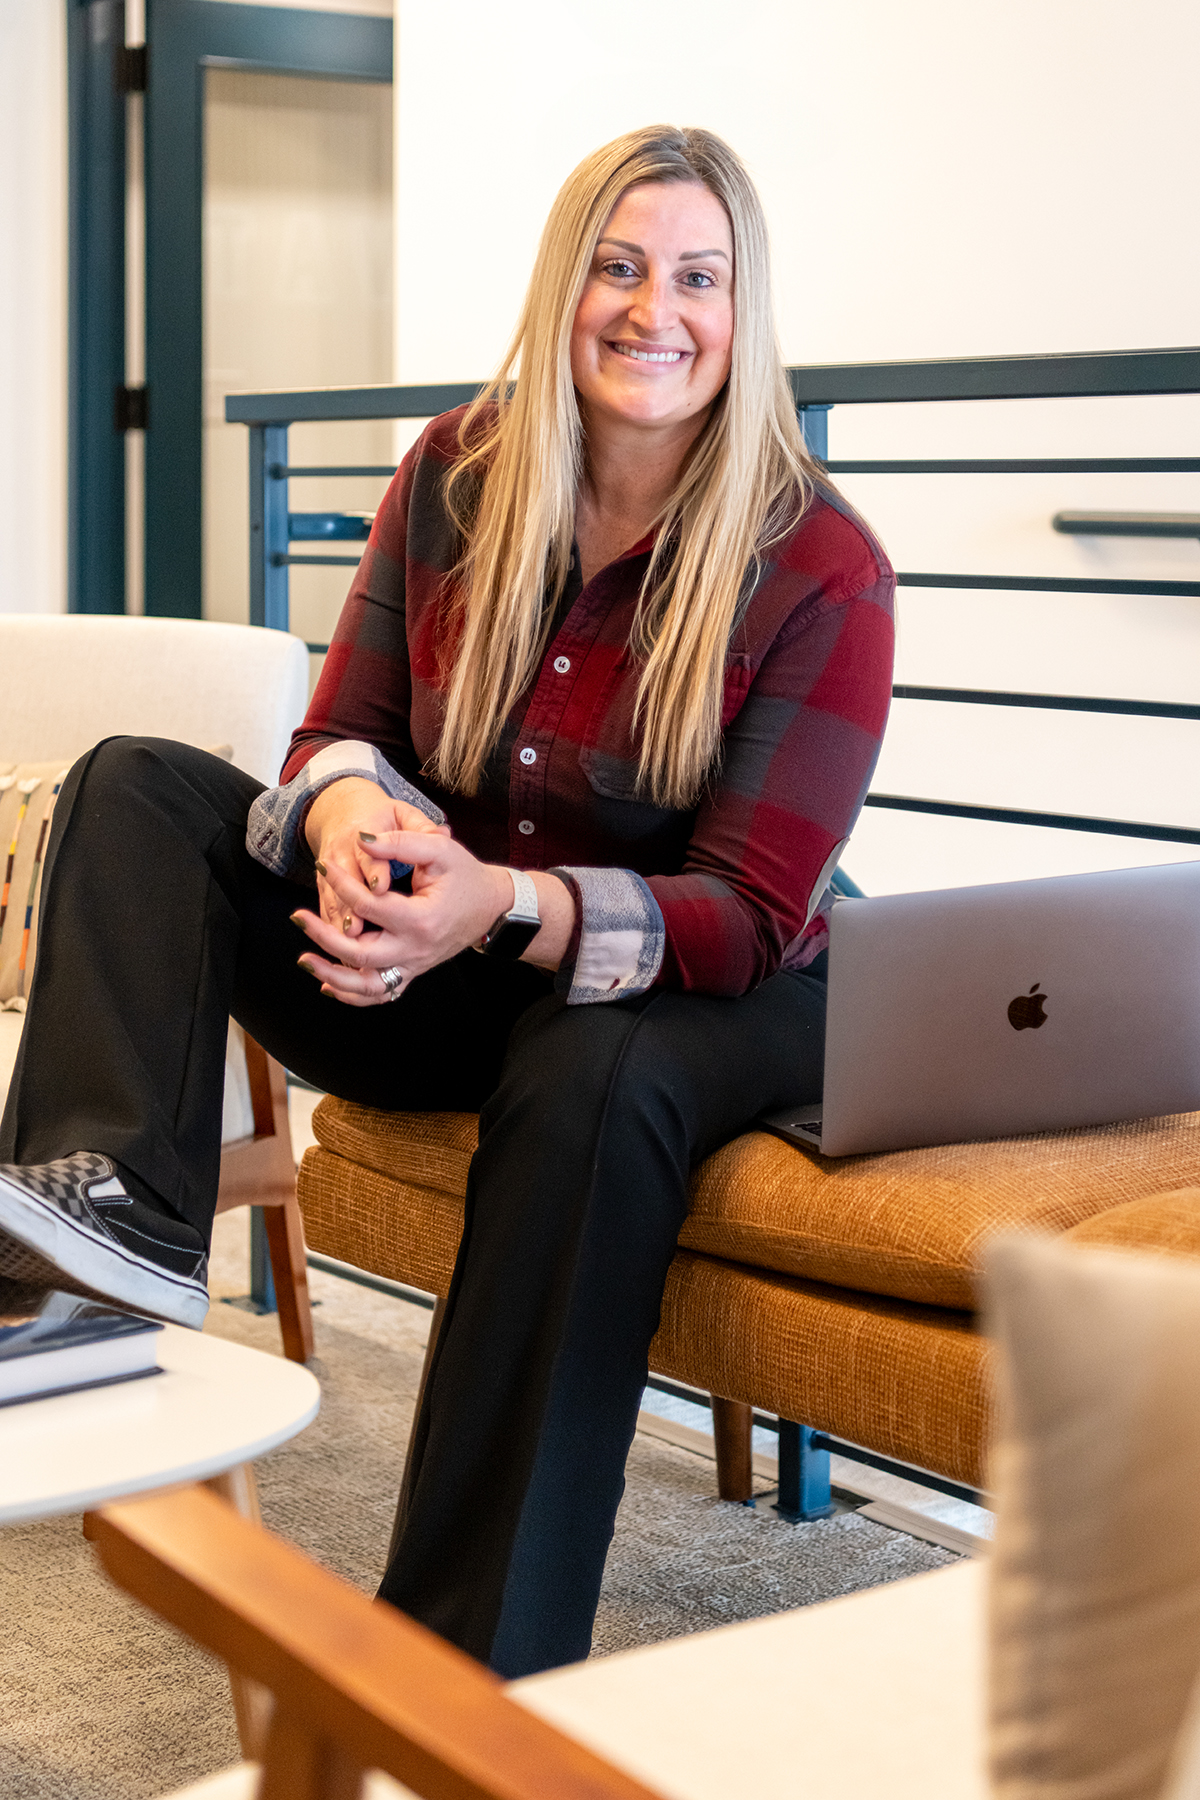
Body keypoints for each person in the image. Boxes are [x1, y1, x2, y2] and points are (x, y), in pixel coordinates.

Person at [0, 125, 894, 1676]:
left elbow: (745, 912)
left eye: (698, 277)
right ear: (567, 284)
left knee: (588, 1063)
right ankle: (102, 1248)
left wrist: (494, 905)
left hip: (729, 993)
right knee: (139, 783)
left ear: (747, 313)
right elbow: (339, 731)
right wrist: (347, 813)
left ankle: (461, 1668)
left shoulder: (820, 561)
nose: (652, 309)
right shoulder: (459, 470)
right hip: (454, 951)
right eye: (617, 266)